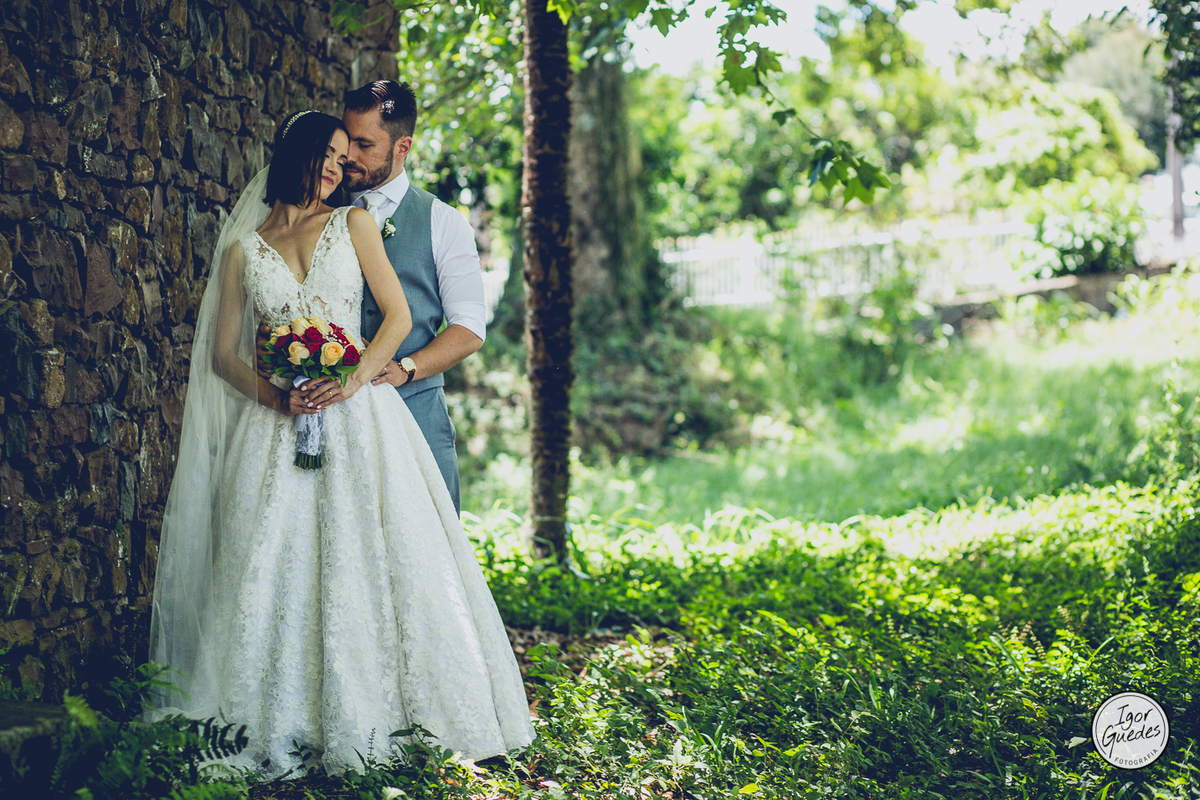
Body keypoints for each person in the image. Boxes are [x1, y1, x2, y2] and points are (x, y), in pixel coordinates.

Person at [149, 110, 535, 776]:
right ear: (296, 155)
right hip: (275, 424)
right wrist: (279, 395)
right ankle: (274, 716)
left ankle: (387, 711)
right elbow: (220, 355)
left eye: (342, 156)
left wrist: (350, 380)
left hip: (358, 415)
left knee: (364, 556)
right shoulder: (246, 246)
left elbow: (400, 316)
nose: (337, 166)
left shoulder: (352, 223)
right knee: (272, 560)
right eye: (326, 155)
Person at [313, 79, 486, 516]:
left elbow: (469, 329)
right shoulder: (316, 212)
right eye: (346, 140)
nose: (349, 155)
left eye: (365, 144)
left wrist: (406, 369)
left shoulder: (444, 222)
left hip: (415, 414)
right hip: (331, 420)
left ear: (402, 146)